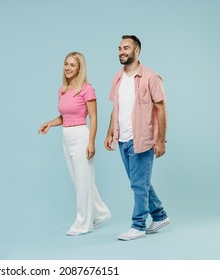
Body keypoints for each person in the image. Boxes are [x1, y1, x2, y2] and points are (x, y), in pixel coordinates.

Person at [104, 35, 170, 241]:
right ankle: (159, 216)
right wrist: (109, 133)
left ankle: (138, 225)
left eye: (126, 48)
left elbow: (161, 109)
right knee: (139, 182)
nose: (121, 51)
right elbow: (116, 108)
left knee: (138, 185)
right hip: (122, 138)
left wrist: (160, 140)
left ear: (137, 51)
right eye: (119, 48)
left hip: (142, 139)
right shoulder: (117, 78)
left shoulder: (151, 77)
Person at [38, 51, 111, 236]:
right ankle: (99, 213)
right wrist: (50, 123)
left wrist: (91, 142)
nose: (68, 67)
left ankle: (83, 224)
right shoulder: (63, 90)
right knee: (79, 181)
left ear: (80, 68)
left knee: (83, 182)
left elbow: (93, 117)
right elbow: (65, 117)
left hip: (81, 136)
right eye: (66, 64)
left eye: (72, 65)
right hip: (66, 137)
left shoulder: (87, 89)